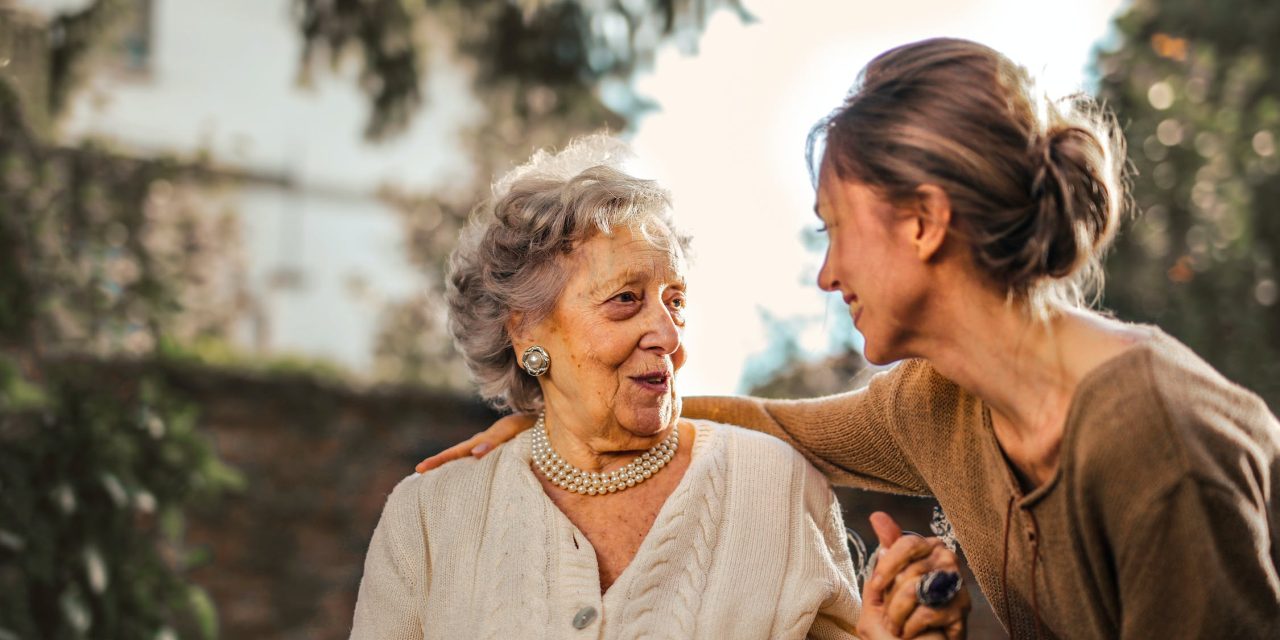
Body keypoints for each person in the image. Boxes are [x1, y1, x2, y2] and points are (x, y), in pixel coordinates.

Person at [417, 39, 1280, 639]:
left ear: (924, 222)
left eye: (835, 229)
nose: (827, 275)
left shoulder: (1152, 439)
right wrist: (565, 421)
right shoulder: (939, 403)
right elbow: (771, 425)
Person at [351, 136, 966, 639]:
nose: (668, 334)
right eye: (625, 300)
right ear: (526, 330)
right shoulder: (429, 517)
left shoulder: (774, 486)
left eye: (675, 301)